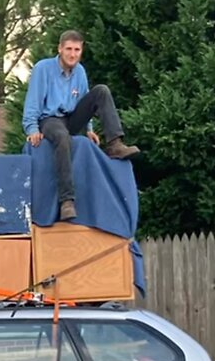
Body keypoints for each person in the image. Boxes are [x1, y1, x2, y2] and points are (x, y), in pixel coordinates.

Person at [22, 30, 140, 221]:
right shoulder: (43, 69)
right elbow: (33, 102)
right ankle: (66, 201)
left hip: (71, 118)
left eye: (77, 50)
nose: (73, 54)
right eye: (68, 49)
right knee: (61, 136)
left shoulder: (80, 71)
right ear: (60, 49)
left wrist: (89, 129)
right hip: (50, 120)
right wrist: (32, 129)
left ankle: (115, 144)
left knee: (101, 91)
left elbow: (84, 100)